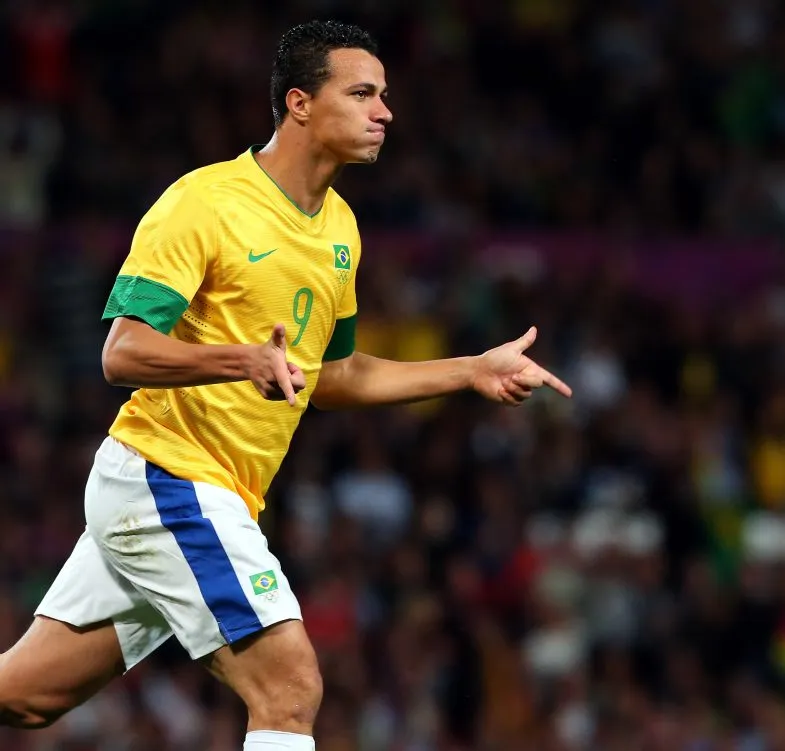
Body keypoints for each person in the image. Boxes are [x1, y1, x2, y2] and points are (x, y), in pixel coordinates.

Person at [0, 20, 571, 751]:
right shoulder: (204, 202)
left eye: (385, 96)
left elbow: (335, 375)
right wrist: (240, 359)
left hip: (211, 492)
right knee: (291, 684)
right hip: (166, 475)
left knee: (24, 696)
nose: (385, 111)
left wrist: (471, 370)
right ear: (300, 103)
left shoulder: (341, 229)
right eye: (362, 93)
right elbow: (123, 351)